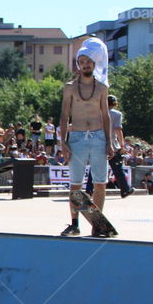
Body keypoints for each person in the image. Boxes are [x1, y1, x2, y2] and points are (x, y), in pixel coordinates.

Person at [59, 38, 114, 237]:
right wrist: (63, 142)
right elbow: (65, 115)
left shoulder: (102, 87)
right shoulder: (70, 87)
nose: (85, 64)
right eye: (82, 61)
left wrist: (109, 141)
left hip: (98, 136)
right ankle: (74, 224)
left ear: (95, 63)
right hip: (77, 137)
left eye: (89, 61)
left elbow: (106, 115)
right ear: (78, 64)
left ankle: (97, 224)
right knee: (75, 183)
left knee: (100, 182)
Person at [86, 95, 133, 198]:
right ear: (115, 104)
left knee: (94, 166)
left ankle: (89, 189)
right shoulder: (117, 114)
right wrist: (122, 145)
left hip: (97, 143)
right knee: (117, 168)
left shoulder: (97, 113)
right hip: (112, 144)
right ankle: (125, 189)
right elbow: (118, 130)